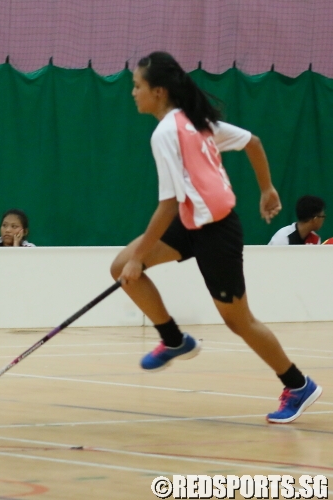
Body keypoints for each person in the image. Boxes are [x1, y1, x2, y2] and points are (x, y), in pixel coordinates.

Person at [110, 51, 320, 424]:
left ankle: (298, 384)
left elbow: (168, 204)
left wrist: (140, 257)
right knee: (119, 267)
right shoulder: (195, 121)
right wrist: (266, 189)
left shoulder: (168, 131)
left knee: (239, 321)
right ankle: (174, 339)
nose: (133, 93)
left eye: (137, 86)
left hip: (216, 232)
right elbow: (252, 142)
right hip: (191, 221)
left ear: (158, 91)